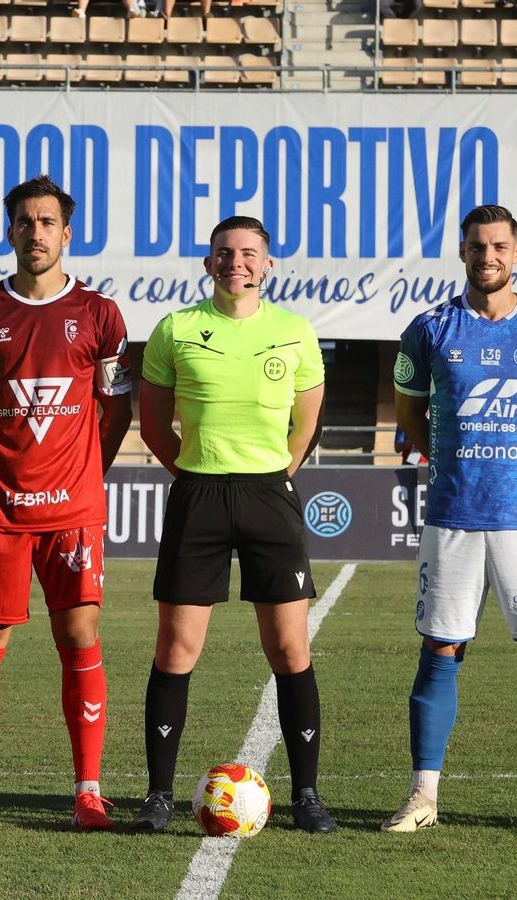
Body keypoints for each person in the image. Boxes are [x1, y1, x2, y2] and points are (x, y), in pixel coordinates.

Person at [380, 205, 517, 836]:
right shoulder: (429, 329)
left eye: (499, 246)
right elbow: (410, 412)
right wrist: (445, 460)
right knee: (440, 651)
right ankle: (423, 795)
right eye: (478, 246)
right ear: (463, 251)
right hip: (453, 514)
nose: (488, 256)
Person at [0, 176, 133, 832]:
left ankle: (88, 793)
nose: (36, 232)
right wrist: (1, 459)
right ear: (10, 231)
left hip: (73, 511)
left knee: (80, 635)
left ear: (66, 233)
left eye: (48, 222)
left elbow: (116, 409)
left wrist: (78, 471)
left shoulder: (100, 314)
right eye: (25, 221)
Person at [126, 216, 336, 834]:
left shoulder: (295, 332)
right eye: (224, 252)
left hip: (270, 497)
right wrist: (195, 474)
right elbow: (156, 422)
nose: (235, 262)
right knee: (176, 649)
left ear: (268, 265)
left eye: (248, 253)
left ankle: (307, 796)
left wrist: (274, 476)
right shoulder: (177, 330)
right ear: (208, 262)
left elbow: (306, 424)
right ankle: (159, 797)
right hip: (199, 497)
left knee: (290, 648)